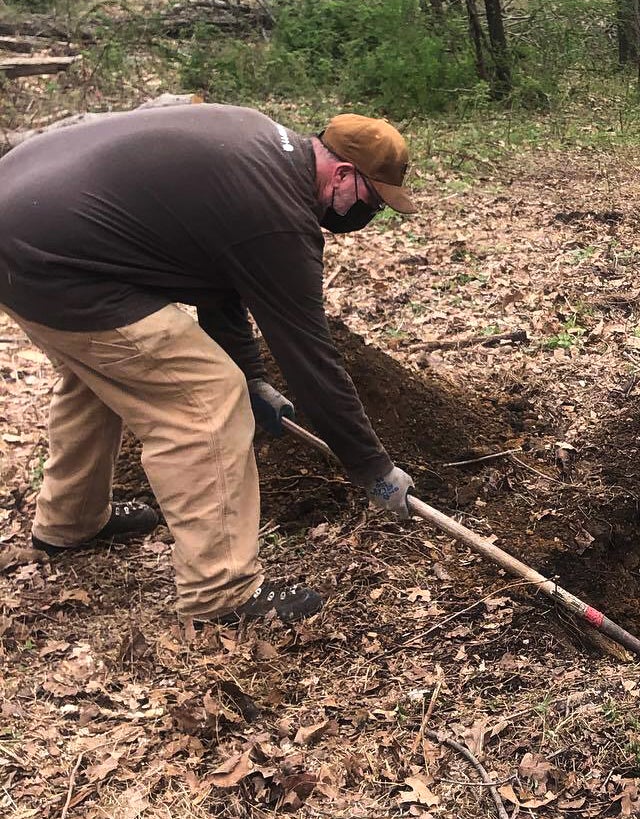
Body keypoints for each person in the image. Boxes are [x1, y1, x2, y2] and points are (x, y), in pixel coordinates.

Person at [0, 105, 422, 625]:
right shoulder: (278, 217)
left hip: (24, 231)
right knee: (206, 398)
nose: (368, 215)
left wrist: (256, 378)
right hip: (52, 257)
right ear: (341, 174)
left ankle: (70, 521)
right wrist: (372, 469)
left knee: (103, 372)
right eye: (372, 201)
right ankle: (220, 589)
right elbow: (310, 357)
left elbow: (220, 279)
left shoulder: (258, 150)